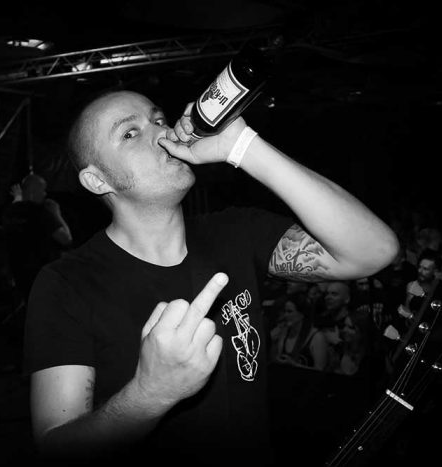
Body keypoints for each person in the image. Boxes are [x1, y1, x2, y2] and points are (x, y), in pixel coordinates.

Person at [23, 89, 398, 464]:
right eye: (130, 133)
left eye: (158, 119)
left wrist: (243, 146)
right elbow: (57, 449)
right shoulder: (67, 283)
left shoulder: (235, 232)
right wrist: (151, 393)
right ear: (97, 180)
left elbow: (374, 251)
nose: (161, 132)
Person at [2, 172, 73, 311]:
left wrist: (18, 199)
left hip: (20, 275)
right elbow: (66, 239)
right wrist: (57, 214)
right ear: (33, 192)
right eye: (43, 190)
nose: (45, 194)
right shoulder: (41, 213)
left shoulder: (9, 212)